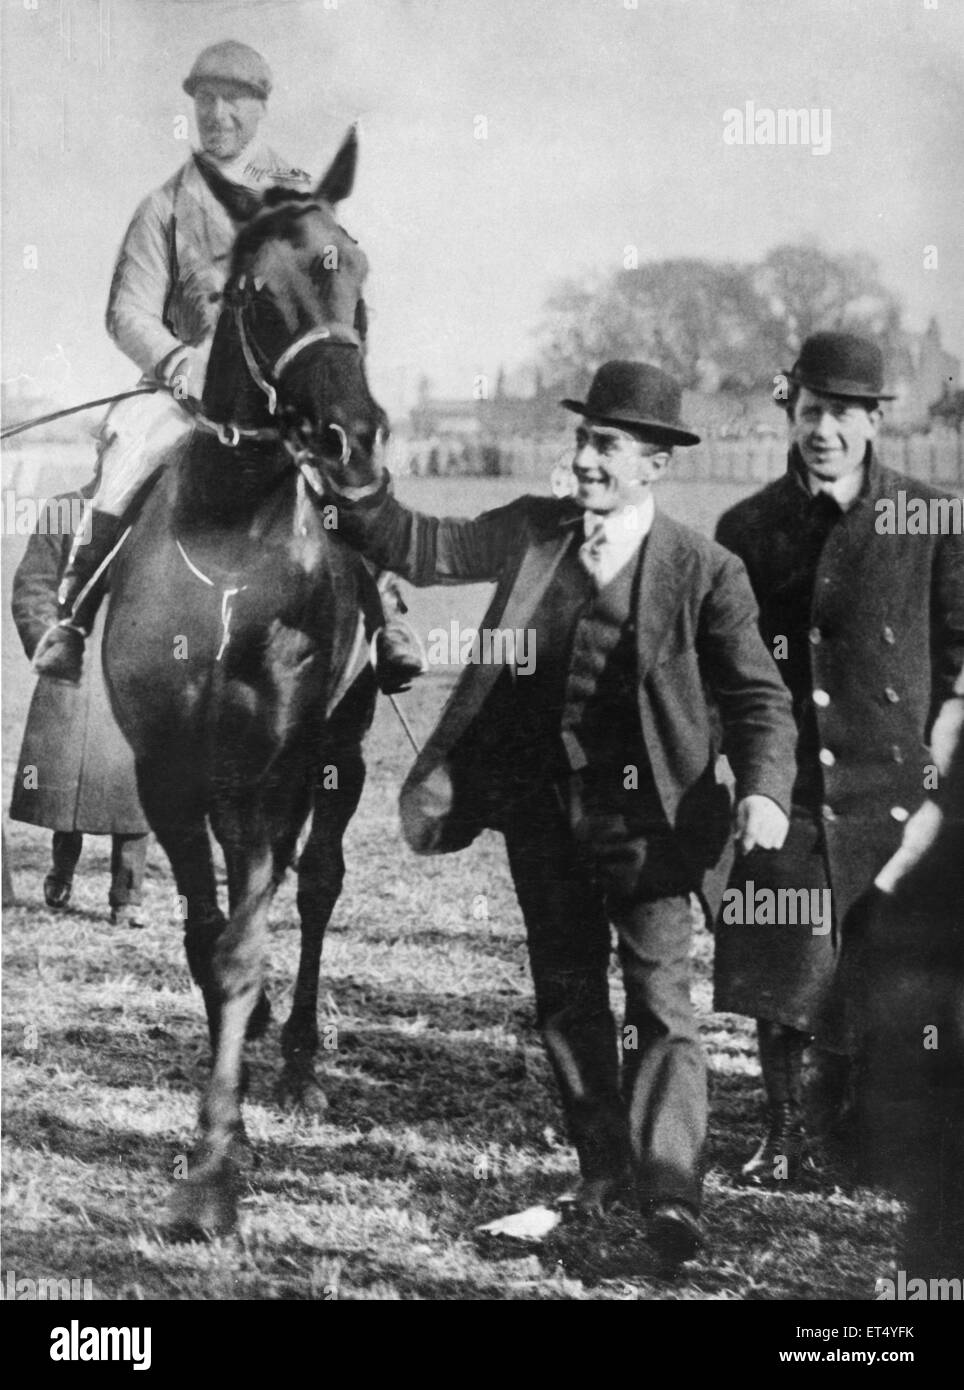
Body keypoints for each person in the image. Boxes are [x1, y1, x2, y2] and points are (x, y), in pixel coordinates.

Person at [320, 360, 797, 1270]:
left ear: (654, 463)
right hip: (544, 814)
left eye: (608, 446)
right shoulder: (534, 532)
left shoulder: (706, 571)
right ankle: (604, 1168)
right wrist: (357, 481)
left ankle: (670, 1196)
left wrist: (765, 792)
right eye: (583, 440)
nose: (585, 460)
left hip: (654, 826)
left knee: (660, 1003)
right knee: (567, 998)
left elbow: (759, 699)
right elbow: (425, 547)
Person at [32, 39, 423, 693]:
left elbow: (335, 290)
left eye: (234, 100)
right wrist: (176, 357)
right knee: (131, 448)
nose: (219, 114)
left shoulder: (300, 198)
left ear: (260, 109)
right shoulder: (162, 208)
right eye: (205, 99)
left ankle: (388, 618)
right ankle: (72, 618)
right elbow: (127, 313)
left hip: (280, 387)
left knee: (354, 454)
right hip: (183, 393)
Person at [712, 331, 964, 1188]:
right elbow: (728, 663)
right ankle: (782, 1133)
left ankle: (860, 1128)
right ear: (790, 411)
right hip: (790, 783)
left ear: (873, 423)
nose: (826, 430)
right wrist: (743, 773)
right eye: (812, 411)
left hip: (892, 781)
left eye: (845, 415)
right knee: (783, 954)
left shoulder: (926, 515)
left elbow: (958, 646)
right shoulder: (746, 527)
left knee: (873, 963)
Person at [10, 487, 150, 926]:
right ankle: (62, 864)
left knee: (135, 781)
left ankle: (126, 895)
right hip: (74, 655)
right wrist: (49, 645)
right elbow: (35, 583)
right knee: (65, 770)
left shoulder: (165, 512)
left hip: (140, 663)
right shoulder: (64, 509)